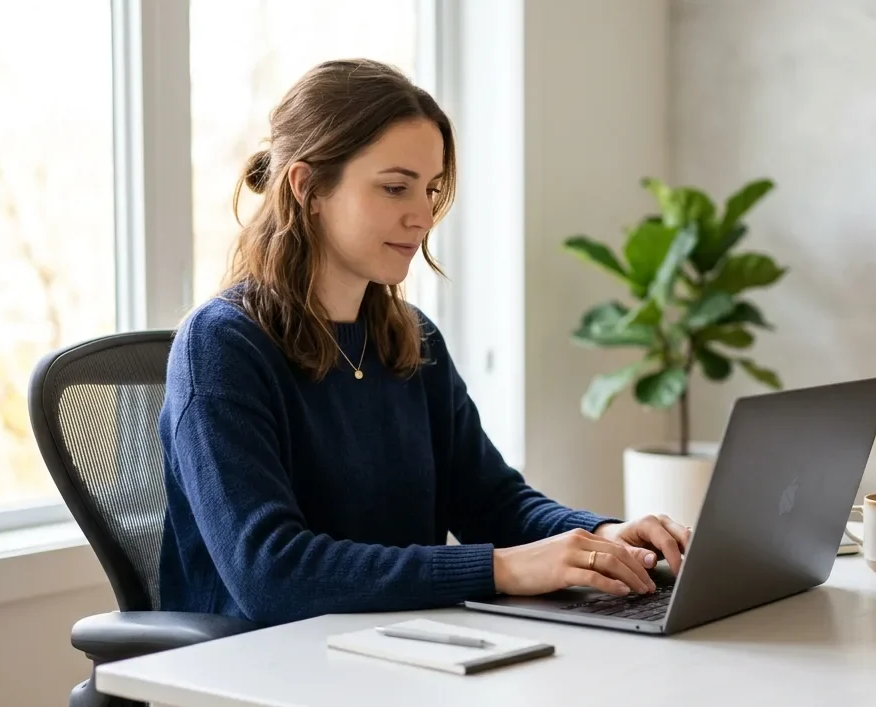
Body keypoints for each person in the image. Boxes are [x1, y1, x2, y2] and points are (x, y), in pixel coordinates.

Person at [156, 58, 691, 627]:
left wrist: (603, 537)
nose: (422, 216)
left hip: (398, 647)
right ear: (307, 188)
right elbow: (271, 573)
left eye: (431, 190)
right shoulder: (221, 346)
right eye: (395, 188)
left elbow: (491, 502)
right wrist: (501, 569)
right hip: (254, 663)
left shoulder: (411, 338)